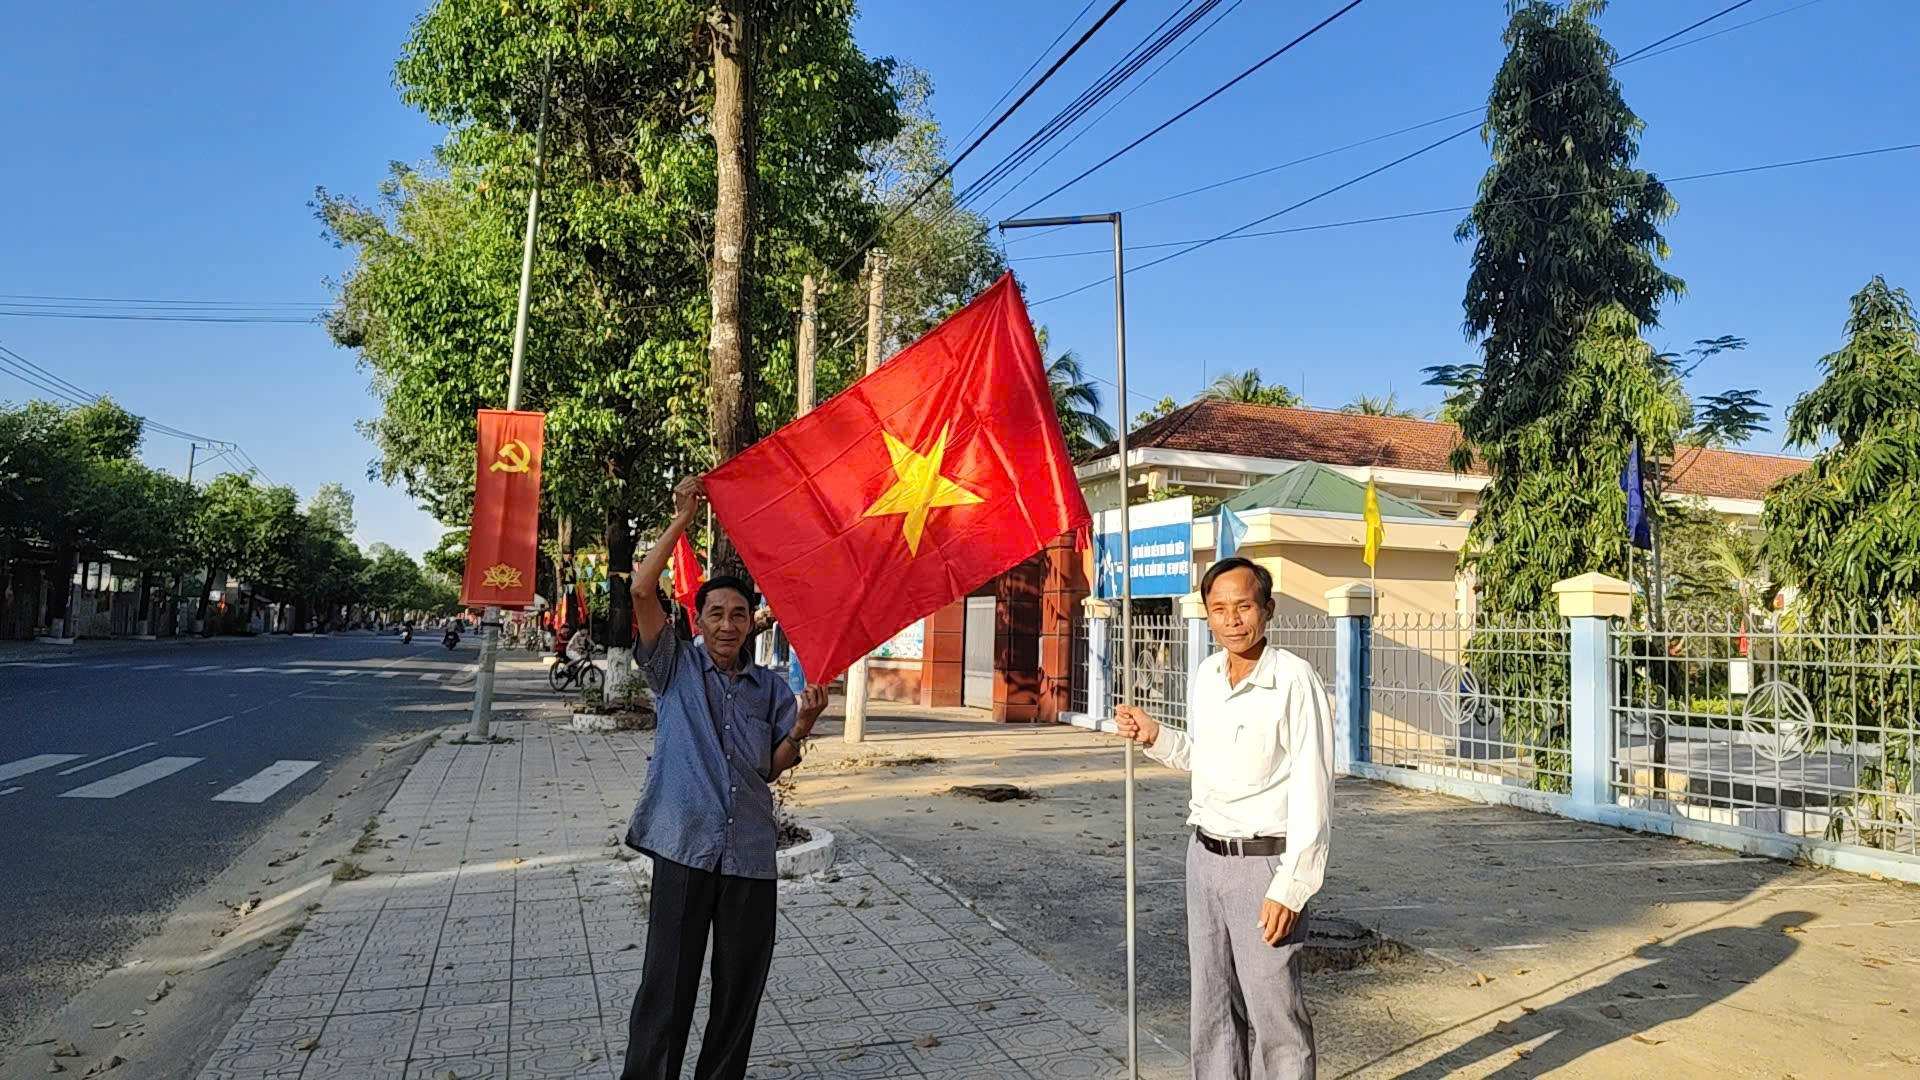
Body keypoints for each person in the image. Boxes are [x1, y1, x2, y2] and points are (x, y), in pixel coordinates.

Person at [621, 476, 828, 1080]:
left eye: (739, 614)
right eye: (717, 613)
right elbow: (640, 588)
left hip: (749, 856)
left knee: (739, 994)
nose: (728, 624)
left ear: (750, 624)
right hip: (685, 848)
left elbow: (770, 765)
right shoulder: (674, 667)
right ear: (700, 619)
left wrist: (804, 727)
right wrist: (682, 518)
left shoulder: (766, 686)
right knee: (668, 991)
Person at [1111, 556, 1334, 1079]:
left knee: (1274, 1013)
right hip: (1204, 859)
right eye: (1219, 609)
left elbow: (1315, 790)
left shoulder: (1294, 682)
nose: (1232, 619)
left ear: (1268, 609)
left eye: (1243, 606)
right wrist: (1155, 736)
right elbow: (1204, 756)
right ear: (1206, 615)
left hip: (1265, 867)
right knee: (1211, 1008)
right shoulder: (1208, 676)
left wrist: (1293, 886)